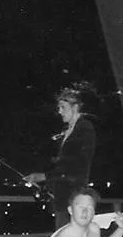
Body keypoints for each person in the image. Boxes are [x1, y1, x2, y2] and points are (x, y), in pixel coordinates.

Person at [23, 82, 97, 228]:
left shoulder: (85, 128)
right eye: (59, 108)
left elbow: (77, 164)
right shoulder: (68, 131)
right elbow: (65, 165)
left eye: (63, 107)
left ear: (75, 107)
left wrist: (44, 176)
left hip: (74, 195)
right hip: (64, 196)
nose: (60, 111)